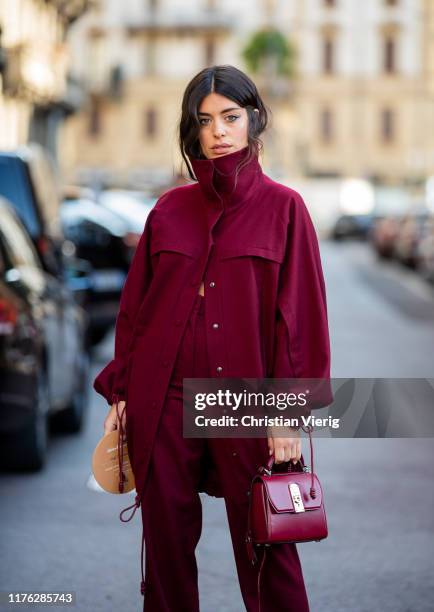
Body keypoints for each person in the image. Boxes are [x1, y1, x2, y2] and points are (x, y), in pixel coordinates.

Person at [93, 64, 332, 612]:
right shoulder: (169, 210)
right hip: (165, 400)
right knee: (167, 550)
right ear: (192, 130)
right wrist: (123, 393)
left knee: (268, 546)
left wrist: (288, 413)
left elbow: (303, 320)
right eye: (205, 120)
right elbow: (134, 313)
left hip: (245, 403)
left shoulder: (285, 209)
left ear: (253, 121)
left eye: (230, 116)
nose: (219, 131)